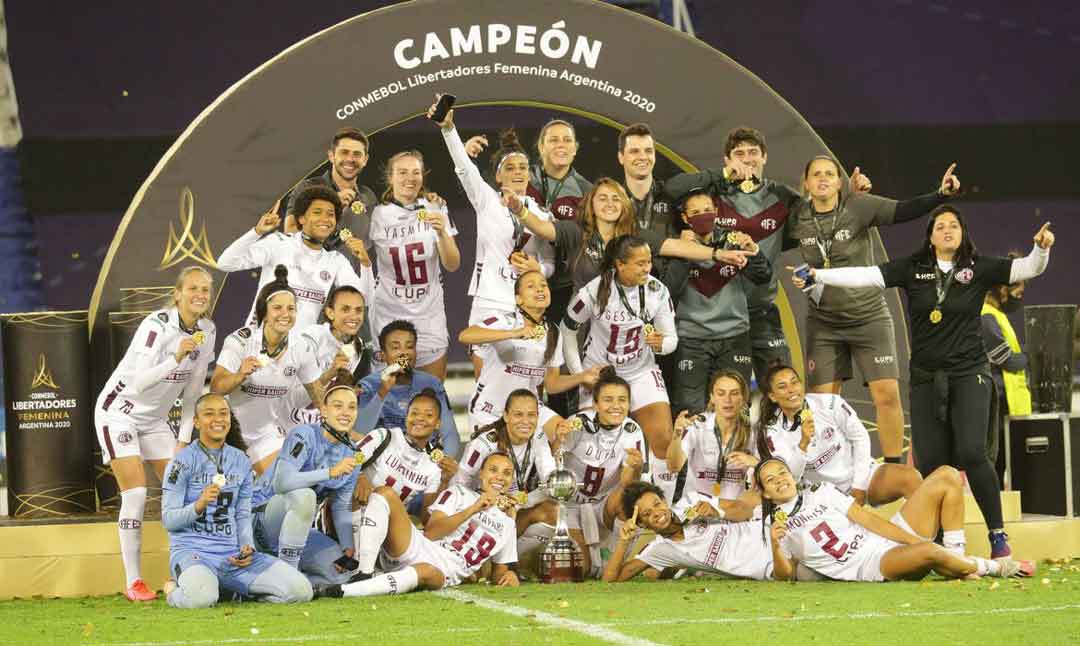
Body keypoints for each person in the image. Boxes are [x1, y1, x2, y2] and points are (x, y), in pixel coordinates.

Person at [792, 208, 1054, 558]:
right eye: (940, 226)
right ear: (930, 236)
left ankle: (997, 536)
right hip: (927, 377)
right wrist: (819, 276)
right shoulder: (912, 268)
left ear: (963, 232)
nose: (947, 230)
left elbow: (1027, 269)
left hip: (968, 372)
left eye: (954, 225)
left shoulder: (979, 267)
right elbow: (866, 275)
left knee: (974, 453)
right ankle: (944, 542)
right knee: (932, 463)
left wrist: (1041, 249)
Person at [788, 157, 961, 463]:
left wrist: (940, 195)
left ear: (840, 183)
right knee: (823, 406)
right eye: (816, 174)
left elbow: (904, 210)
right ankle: (831, 471)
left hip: (868, 317)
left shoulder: (859, 207)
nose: (823, 178)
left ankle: (893, 467)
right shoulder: (798, 216)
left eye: (830, 174)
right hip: (823, 322)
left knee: (887, 395)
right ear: (806, 184)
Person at [94, 266, 217, 601]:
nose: (200, 294)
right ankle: (134, 582)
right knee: (135, 496)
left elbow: (193, 393)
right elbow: (139, 382)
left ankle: (187, 570)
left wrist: (182, 441)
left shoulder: (207, 330)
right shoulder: (156, 326)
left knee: (186, 492)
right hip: (119, 413)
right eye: (193, 288)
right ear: (177, 294)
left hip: (156, 420)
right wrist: (176, 356)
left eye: (206, 289)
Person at [429, 98, 555, 375]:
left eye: (523, 167)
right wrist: (449, 130)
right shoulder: (486, 200)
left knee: (527, 378)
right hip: (490, 298)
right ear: (498, 177)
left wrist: (539, 269)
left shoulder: (541, 214)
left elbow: (549, 261)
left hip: (527, 303)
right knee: (486, 379)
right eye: (510, 168)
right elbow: (464, 169)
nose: (518, 172)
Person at [757, 457, 1033, 582]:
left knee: (947, 476)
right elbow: (786, 575)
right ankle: (995, 568)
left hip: (883, 540)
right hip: (872, 564)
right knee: (927, 550)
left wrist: (910, 540)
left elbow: (870, 521)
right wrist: (774, 543)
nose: (780, 480)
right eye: (771, 480)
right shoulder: (777, 526)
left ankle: (956, 559)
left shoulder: (822, 491)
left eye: (782, 472)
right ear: (765, 492)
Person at [161, 394, 313, 608]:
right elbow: (169, 520)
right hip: (194, 553)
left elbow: (242, 514)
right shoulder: (181, 463)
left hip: (233, 557)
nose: (218, 419)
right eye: (209, 414)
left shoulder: (241, 460)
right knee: (200, 599)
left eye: (223, 413)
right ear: (196, 422)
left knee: (301, 591)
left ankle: (232, 588)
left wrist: (247, 546)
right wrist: (199, 505)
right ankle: (173, 590)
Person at [561, 235, 677, 500]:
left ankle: (662, 505)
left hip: (641, 370)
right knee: (596, 447)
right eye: (640, 263)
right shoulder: (594, 291)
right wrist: (581, 374)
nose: (648, 268)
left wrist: (661, 345)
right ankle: (595, 505)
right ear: (619, 265)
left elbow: (671, 340)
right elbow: (568, 331)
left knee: (663, 439)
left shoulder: (657, 290)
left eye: (649, 261)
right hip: (602, 375)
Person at [315, 452, 520, 598]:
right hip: (421, 546)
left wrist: (508, 575)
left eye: (507, 473)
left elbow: (499, 571)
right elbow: (431, 532)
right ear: (481, 473)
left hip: (443, 572)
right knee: (384, 493)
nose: (499, 477)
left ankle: (342, 591)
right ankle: (365, 572)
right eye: (493, 470)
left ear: (511, 480)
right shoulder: (459, 493)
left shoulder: (509, 523)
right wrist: (472, 510)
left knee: (426, 572)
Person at [514, 177, 748, 292]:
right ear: (591, 204)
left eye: (616, 198)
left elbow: (677, 247)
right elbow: (541, 228)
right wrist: (519, 209)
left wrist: (717, 254)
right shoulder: (576, 231)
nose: (610, 203)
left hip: (625, 324)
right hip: (582, 323)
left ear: (624, 205)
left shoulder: (633, 234)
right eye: (603, 198)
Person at [251, 372, 363, 585]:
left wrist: (348, 547)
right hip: (259, 521)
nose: (345, 413)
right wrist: (330, 472)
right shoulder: (304, 434)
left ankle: (284, 578)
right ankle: (289, 578)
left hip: (295, 530)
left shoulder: (352, 454)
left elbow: (340, 505)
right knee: (304, 496)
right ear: (324, 410)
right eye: (338, 406)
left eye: (352, 407)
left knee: (340, 573)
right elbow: (282, 482)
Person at [662, 189, 771, 408]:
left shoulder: (732, 240)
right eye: (695, 212)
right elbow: (669, 290)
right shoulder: (674, 246)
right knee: (690, 409)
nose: (703, 215)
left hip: (734, 336)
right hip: (691, 339)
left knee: (736, 408)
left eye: (707, 210)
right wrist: (685, 252)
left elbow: (762, 276)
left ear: (716, 211)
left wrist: (754, 250)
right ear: (685, 218)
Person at [757, 363, 922, 506]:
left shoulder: (828, 403)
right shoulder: (772, 432)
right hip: (821, 497)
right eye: (782, 386)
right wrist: (803, 444)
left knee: (910, 478)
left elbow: (860, 437)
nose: (791, 390)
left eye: (794, 382)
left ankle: (930, 539)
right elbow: (791, 476)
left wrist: (859, 487)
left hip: (860, 479)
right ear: (772, 396)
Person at [211, 266, 323, 475]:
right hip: (228, 433)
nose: (285, 314)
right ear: (264, 311)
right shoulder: (240, 341)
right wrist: (240, 375)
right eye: (278, 308)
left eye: (291, 309)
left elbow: (319, 398)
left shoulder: (301, 347)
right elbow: (216, 388)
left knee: (283, 484)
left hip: (266, 436)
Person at [458, 270, 600, 435]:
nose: (540, 289)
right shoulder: (504, 321)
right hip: (491, 410)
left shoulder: (553, 331)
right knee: (498, 460)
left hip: (529, 410)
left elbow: (551, 384)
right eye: (531, 286)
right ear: (518, 298)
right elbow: (465, 336)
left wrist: (582, 377)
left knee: (565, 433)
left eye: (543, 285)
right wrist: (513, 333)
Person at [217, 184, 374, 330]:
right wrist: (256, 232)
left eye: (330, 214)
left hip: (300, 355)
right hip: (259, 348)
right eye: (317, 212)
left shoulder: (335, 260)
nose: (325, 219)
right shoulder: (278, 243)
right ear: (301, 218)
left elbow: (364, 300)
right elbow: (226, 263)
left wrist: (366, 264)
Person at [368, 149, 460, 380]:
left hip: (429, 317)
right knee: (391, 398)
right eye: (402, 172)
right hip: (388, 316)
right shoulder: (377, 214)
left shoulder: (435, 207)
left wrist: (441, 232)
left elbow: (453, 264)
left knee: (431, 397)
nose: (410, 178)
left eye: (415, 172)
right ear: (390, 177)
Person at [350, 389, 458, 578]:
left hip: (387, 533)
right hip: (352, 514)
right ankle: (364, 569)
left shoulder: (433, 465)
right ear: (406, 416)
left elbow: (426, 517)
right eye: (414, 413)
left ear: (438, 423)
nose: (420, 418)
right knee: (382, 493)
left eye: (429, 415)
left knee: (387, 498)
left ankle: (367, 570)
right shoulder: (383, 437)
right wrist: (359, 477)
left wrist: (445, 480)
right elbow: (348, 461)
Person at [559, 370, 648, 575]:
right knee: (579, 570)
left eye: (622, 400)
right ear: (596, 404)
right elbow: (555, 461)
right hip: (572, 505)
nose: (616, 406)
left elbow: (628, 483)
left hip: (603, 505)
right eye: (608, 400)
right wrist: (559, 438)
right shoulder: (578, 423)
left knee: (631, 497)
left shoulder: (632, 431)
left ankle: (615, 560)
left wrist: (635, 468)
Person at [601, 481, 774, 582]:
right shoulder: (659, 550)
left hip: (769, 534)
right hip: (765, 568)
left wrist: (718, 512)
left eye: (657, 504)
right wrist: (623, 541)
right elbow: (611, 580)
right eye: (647, 514)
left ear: (664, 501)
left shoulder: (692, 500)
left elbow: (746, 511)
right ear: (642, 524)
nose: (657, 513)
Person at [454, 389, 560, 537]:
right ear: (505, 415)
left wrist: (523, 500)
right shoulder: (484, 444)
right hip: (479, 512)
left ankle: (517, 557)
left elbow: (548, 477)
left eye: (531, 415)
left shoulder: (538, 436)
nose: (525, 421)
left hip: (513, 510)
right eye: (518, 414)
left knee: (554, 511)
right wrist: (481, 505)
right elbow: (459, 485)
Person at [355, 320, 459, 458]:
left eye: (409, 347)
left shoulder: (432, 384)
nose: (403, 353)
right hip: (382, 463)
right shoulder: (369, 385)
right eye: (395, 348)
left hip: (423, 464)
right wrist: (382, 392)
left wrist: (441, 464)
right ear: (383, 355)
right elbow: (359, 433)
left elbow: (449, 433)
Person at [665, 371, 760, 506]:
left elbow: (770, 471)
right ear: (712, 398)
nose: (728, 400)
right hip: (696, 511)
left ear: (743, 398)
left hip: (733, 513)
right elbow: (673, 467)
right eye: (721, 393)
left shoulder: (753, 432)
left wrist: (754, 462)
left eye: (734, 393)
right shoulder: (697, 425)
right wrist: (676, 436)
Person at [980, 260, 1032, 480]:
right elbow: (1007, 360)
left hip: (1010, 402)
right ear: (1003, 289)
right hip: (996, 400)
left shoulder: (998, 315)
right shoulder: (986, 315)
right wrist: (1032, 355)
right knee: (996, 461)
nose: (1018, 298)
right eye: (1017, 293)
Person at [288, 285, 368, 426]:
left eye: (358, 310)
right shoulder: (311, 337)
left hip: (320, 426)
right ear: (330, 313)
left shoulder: (358, 347)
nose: (354, 316)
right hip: (288, 422)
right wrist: (330, 373)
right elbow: (294, 398)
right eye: (345, 309)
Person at [283, 127, 377, 246]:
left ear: (365, 160)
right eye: (344, 152)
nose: (350, 159)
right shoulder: (307, 188)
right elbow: (290, 232)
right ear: (331, 156)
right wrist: (332, 205)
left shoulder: (368, 195)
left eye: (357, 154)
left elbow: (372, 243)